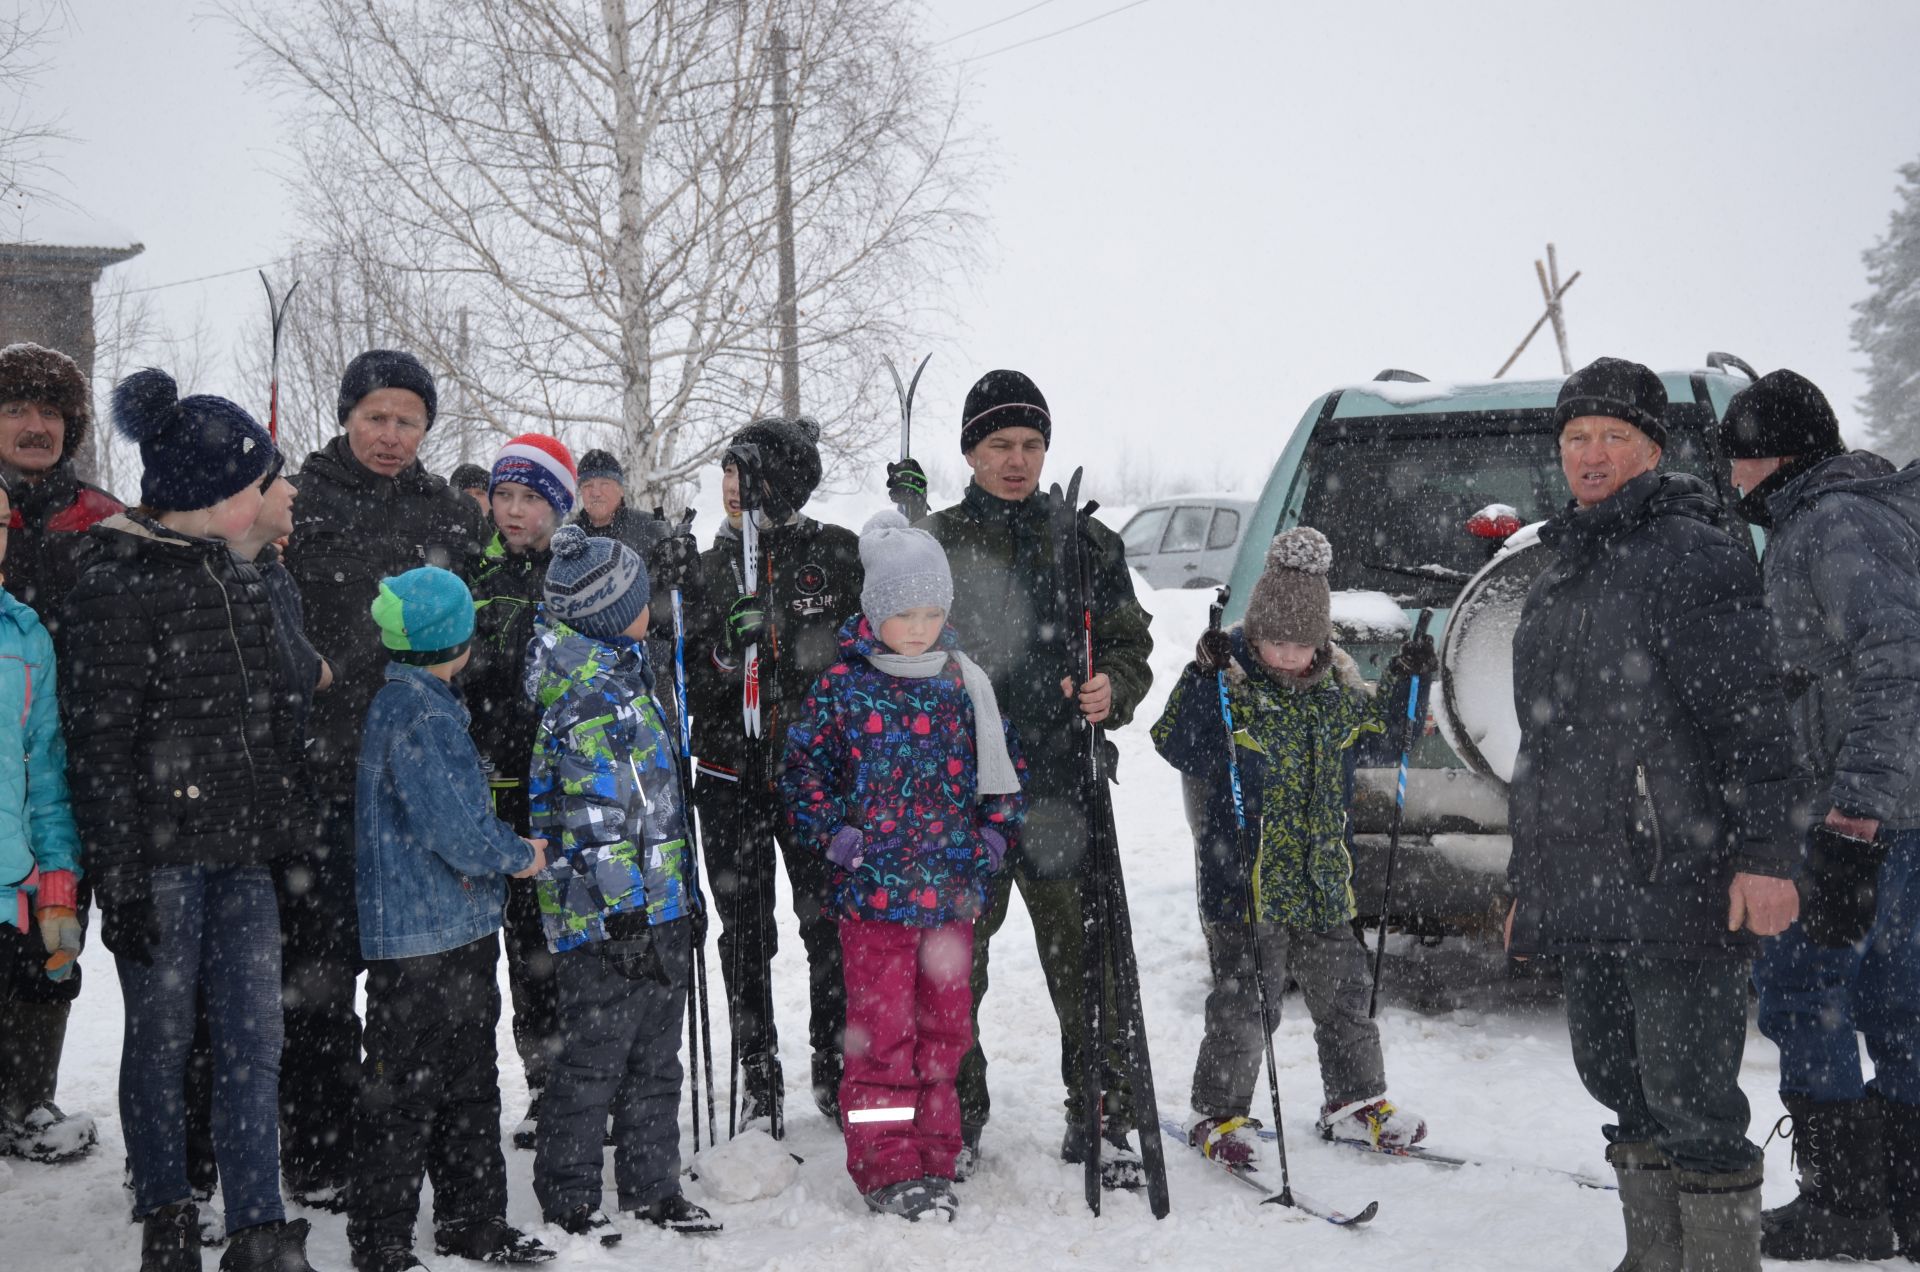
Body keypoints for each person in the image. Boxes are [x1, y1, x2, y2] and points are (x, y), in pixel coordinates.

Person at [1505, 356, 1805, 1272]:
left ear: (1653, 449)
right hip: (1583, 874)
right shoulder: (1559, 563)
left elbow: (1753, 718)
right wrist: (1527, 878)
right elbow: (1541, 748)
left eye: (1613, 438)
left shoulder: (1695, 552)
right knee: (1617, 1080)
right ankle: (1652, 1258)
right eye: (1575, 439)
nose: (1591, 456)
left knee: (1693, 1097)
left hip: (1677, 871)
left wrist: (1766, 855)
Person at [62, 369, 317, 1272]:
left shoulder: (237, 572)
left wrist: (290, 831)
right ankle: (167, 1212)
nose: (269, 492)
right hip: (162, 866)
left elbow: (274, 713)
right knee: (163, 1045)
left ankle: (256, 1224)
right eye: (256, 479)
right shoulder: (114, 580)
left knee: (255, 1039)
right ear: (209, 494)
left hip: (246, 858)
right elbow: (99, 746)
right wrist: (121, 880)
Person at [894, 369, 1154, 1184]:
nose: (1017, 460)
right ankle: (952, 1115)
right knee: (953, 968)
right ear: (970, 451)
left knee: (1086, 961)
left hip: (1058, 789)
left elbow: (1128, 640)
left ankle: (1101, 1111)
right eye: (1000, 444)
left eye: (1031, 444)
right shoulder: (933, 541)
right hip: (959, 792)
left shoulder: (1082, 540)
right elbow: (891, 636)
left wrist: (1113, 687)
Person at [1150, 526, 1433, 1166]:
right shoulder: (1232, 691)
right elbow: (1175, 743)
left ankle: (1356, 1102)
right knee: (1245, 1005)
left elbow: (1391, 736)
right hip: (1243, 886)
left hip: (1321, 882)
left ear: (1321, 642)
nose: (1286, 655)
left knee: (1345, 996)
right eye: (1274, 641)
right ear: (1253, 635)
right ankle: (1219, 1114)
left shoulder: (1336, 698)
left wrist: (1409, 685)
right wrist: (1202, 678)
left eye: (1302, 644)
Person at [1720, 368, 1920, 1263]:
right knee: (1899, 1002)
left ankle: (1844, 1203)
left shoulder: (1831, 524)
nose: (1729, 481)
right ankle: (1905, 1200)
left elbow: (1897, 667)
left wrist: (1852, 821)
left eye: (1735, 459)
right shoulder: (1859, 509)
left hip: (1854, 818)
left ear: (1770, 457)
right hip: (1894, 813)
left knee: (1808, 994)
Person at [279, 348, 485, 1207]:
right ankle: (321, 1145)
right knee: (320, 974)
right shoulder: (299, 502)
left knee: (419, 981)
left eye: (408, 420)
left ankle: (412, 1136)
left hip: (419, 782)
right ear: (346, 416)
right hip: (326, 778)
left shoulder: (448, 513)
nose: (392, 435)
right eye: (376, 418)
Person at [779, 510, 1025, 1220]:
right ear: (874, 611)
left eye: (932, 613)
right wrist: (837, 836)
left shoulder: (963, 685)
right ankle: (886, 1166)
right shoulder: (843, 689)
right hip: (876, 904)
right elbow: (802, 772)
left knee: (946, 1034)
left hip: (949, 897)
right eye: (904, 613)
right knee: (883, 1039)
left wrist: (991, 842)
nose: (919, 628)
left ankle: (937, 1151)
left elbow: (1003, 776)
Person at [349, 565, 556, 1272]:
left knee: (465, 1082)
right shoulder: (422, 715)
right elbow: (455, 828)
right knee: (409, 1092)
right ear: (460, 640)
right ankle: (382, 1240)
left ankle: (473, 1222)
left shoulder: (409, 703)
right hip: (423, 939)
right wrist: (518, 853)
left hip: (451, 933)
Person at [528, 525, 719, 1239]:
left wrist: (683, 898)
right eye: (640, 597)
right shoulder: (587, 698)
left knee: (655, 1058)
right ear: (612, 613)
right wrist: (627, 912)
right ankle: (570, 1195)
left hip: (657, 903)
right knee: (593, 1062)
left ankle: (651, 1183)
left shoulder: (632, 671)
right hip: (606, 919)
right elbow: (596, 818)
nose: (652, 606)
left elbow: (661, 803)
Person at [686, 416, 860, 1129]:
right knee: (747, 932)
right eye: (727, 473)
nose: (732, 489)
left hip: (817, 779)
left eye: (748, 476)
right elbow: (688, 684)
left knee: (829, 924)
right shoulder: (704, 569)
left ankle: (836, 1056)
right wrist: (728, 652)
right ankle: (759, 1069)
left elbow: (886, 633)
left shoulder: (836, 555)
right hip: (732, 776)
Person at [0, 341, 122, 1164]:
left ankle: (26, 1096)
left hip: (70, 758)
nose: (34, 425)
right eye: (15, 409)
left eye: (50, 412)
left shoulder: (102, 516)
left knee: (54, 937)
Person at [460, 434, 576, 1146]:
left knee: (567, 945)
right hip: (494, 788)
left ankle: (583, 1082)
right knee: (521, 952)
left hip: (566, 790)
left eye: (531, 497)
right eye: (504, 494)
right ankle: (541, 1084)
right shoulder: (474, 575)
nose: (513, 510)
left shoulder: (580, 571)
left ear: (558, 505)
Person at [0, 469, 88, 1165]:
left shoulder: (27, 635)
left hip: (16, 878)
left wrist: (56, 871)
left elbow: (46, 769)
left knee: (44, 974)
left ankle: (25, 1105)